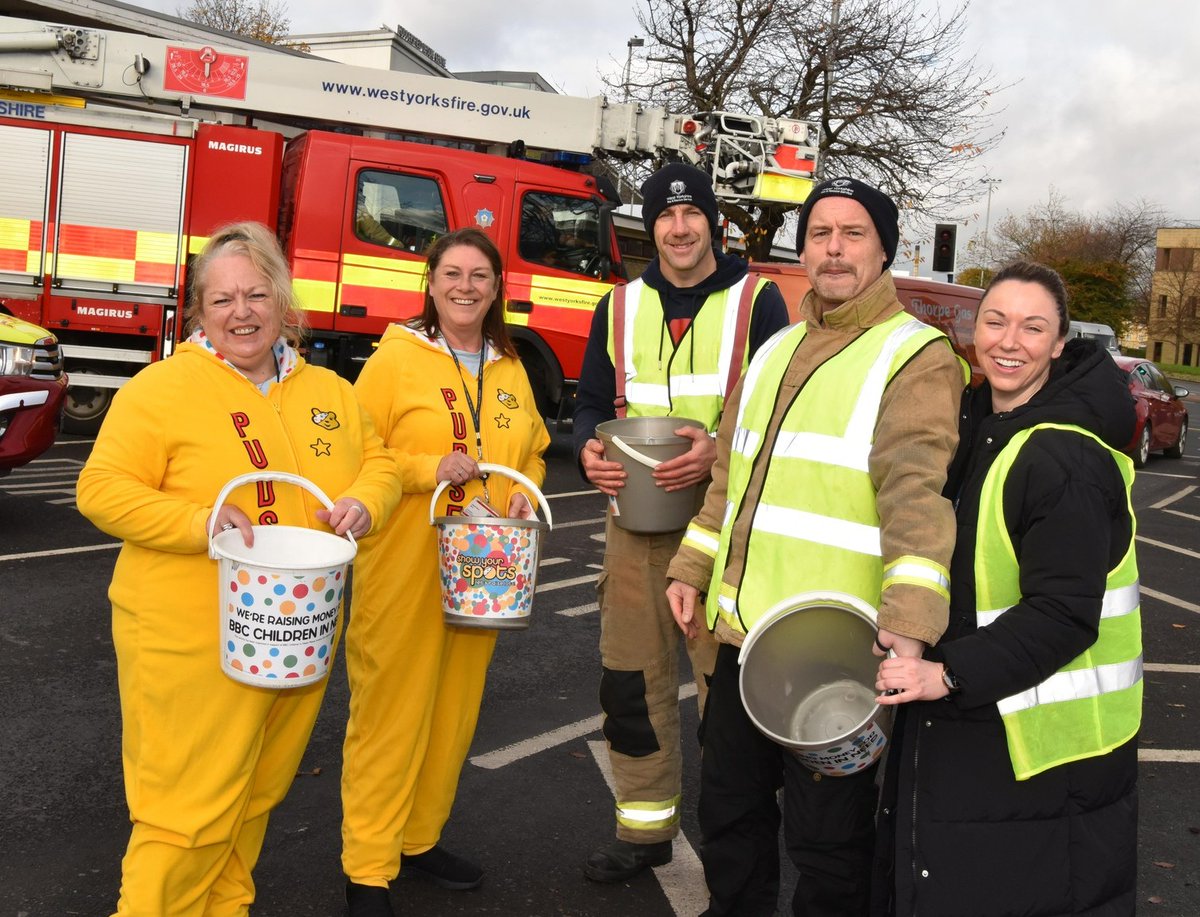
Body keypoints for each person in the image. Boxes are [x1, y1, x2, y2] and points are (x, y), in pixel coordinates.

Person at [76, 222, 401, 917]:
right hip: (186, 640)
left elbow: (378, 463)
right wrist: (199, 522)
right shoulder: (161, 389)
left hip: (293, 637)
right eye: (221, 300)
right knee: (182, 810)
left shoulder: (330, 391)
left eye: (256, 294)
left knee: (255, 793)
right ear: (198, 310)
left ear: (285, 302)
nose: (241, 313)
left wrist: (365, 502)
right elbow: (99, 488)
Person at [665, 177, 966, 917]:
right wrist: (692, 563)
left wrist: (914, 627)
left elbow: (916, 499)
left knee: (828, 845)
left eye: (852, 233)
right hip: (745, 637)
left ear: (885, 247)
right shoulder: (775, 349)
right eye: (821, 232)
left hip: (840, 650)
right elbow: (731, 478)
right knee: (730, 815)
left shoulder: (915, 355)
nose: (833, 248)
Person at [872, 261, 1141, 917]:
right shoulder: (978, 426)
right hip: (989, 734)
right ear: (975, 329)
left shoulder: (1061, 456)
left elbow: (1063, 613)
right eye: (995, 320)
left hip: (1038, 754)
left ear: (1059, 343)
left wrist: (949, 673)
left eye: (1032, 326)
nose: (1008, 340)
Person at [573, 161, 790, 883]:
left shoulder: (757, 301)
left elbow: (775, 416)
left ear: (712, 220)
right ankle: (644, 830)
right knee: (632, 684)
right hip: (633, 524)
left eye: (691, 212)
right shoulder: (620, 304)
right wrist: (588, 453)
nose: (679, 227)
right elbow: (589, 403)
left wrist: (716, 451)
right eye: (665, 216)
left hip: (721, 529)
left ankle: (735, 843)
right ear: (652, 225)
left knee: (725, 695)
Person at [340, 228, 551, 917]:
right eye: (453, 273)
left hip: (486, 565)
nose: (466, 286)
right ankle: (368, 866)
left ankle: (418, 838)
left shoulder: (510, 364)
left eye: (480, 276)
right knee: (391, 714)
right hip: (403, 562)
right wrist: (428, 467)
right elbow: (356, 456)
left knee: (453, 714)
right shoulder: (395, 360)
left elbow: (538, 450)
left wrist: (525, 486)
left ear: (497, 289)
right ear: (429, 282)